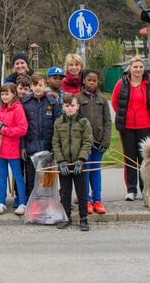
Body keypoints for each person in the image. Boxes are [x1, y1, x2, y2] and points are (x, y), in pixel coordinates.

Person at [111, 56, 150, 201]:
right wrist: (124, 116)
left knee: (145, 159)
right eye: (135, 67)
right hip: (127, 127)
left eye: (140, 67)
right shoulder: (121, 83)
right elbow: (114, 102)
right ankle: (131, 190)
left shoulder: (149, 84)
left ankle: (145, 189)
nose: (138, 70)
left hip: (145, 126)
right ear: (130, 68)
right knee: (130, 158)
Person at [53, 94, 94, 231]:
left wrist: (81, 159)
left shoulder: (84, 122)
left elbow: (88, 142)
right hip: (64, 163)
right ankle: (66, 217)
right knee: (65, 193)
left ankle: (83, 218)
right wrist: (60, 161)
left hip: (78, 163)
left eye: (72, 105)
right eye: (67, 106)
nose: (69, 108)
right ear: (63, 107)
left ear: (77, 107)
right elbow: (56, 143)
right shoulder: (58, 122)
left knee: (82, 192)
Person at [21, 73, 61, 201]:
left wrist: (56, 147)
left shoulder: (52, 103)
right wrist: (22, 147)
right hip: (31, 147)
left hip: (48, 147)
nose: (38, 88)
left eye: (40, 85)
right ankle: (33, 204)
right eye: (35, 85)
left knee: (47, 178)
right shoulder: (25, 104)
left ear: (45, 85)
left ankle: (48, 203)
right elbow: (23, 128)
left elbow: (58, 126)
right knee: (32, 177)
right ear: (31, 86)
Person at [77, 69, 111, 215]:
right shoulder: (77, 99)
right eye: (89, 80)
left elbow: (107, 121)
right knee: (85, 172)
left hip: (98, 143)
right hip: (84, 144)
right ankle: (86, 200)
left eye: (94, 80)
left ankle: (97, 199)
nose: (92, 83)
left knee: (95, 171)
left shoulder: (102, 100)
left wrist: (106, 140)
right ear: (84, 81)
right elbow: (75, 121)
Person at [0, 83, 29, 215]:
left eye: (7, 94)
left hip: (13, 149)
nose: (4, 96)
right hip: (0, 149)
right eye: (2, 94)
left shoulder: (18, 109)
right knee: (2, 176)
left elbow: (22, 129)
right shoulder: (1, 109)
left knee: (18, 176)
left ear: (13, 94)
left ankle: (22, 202)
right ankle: (1, 202)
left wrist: (5, 130)